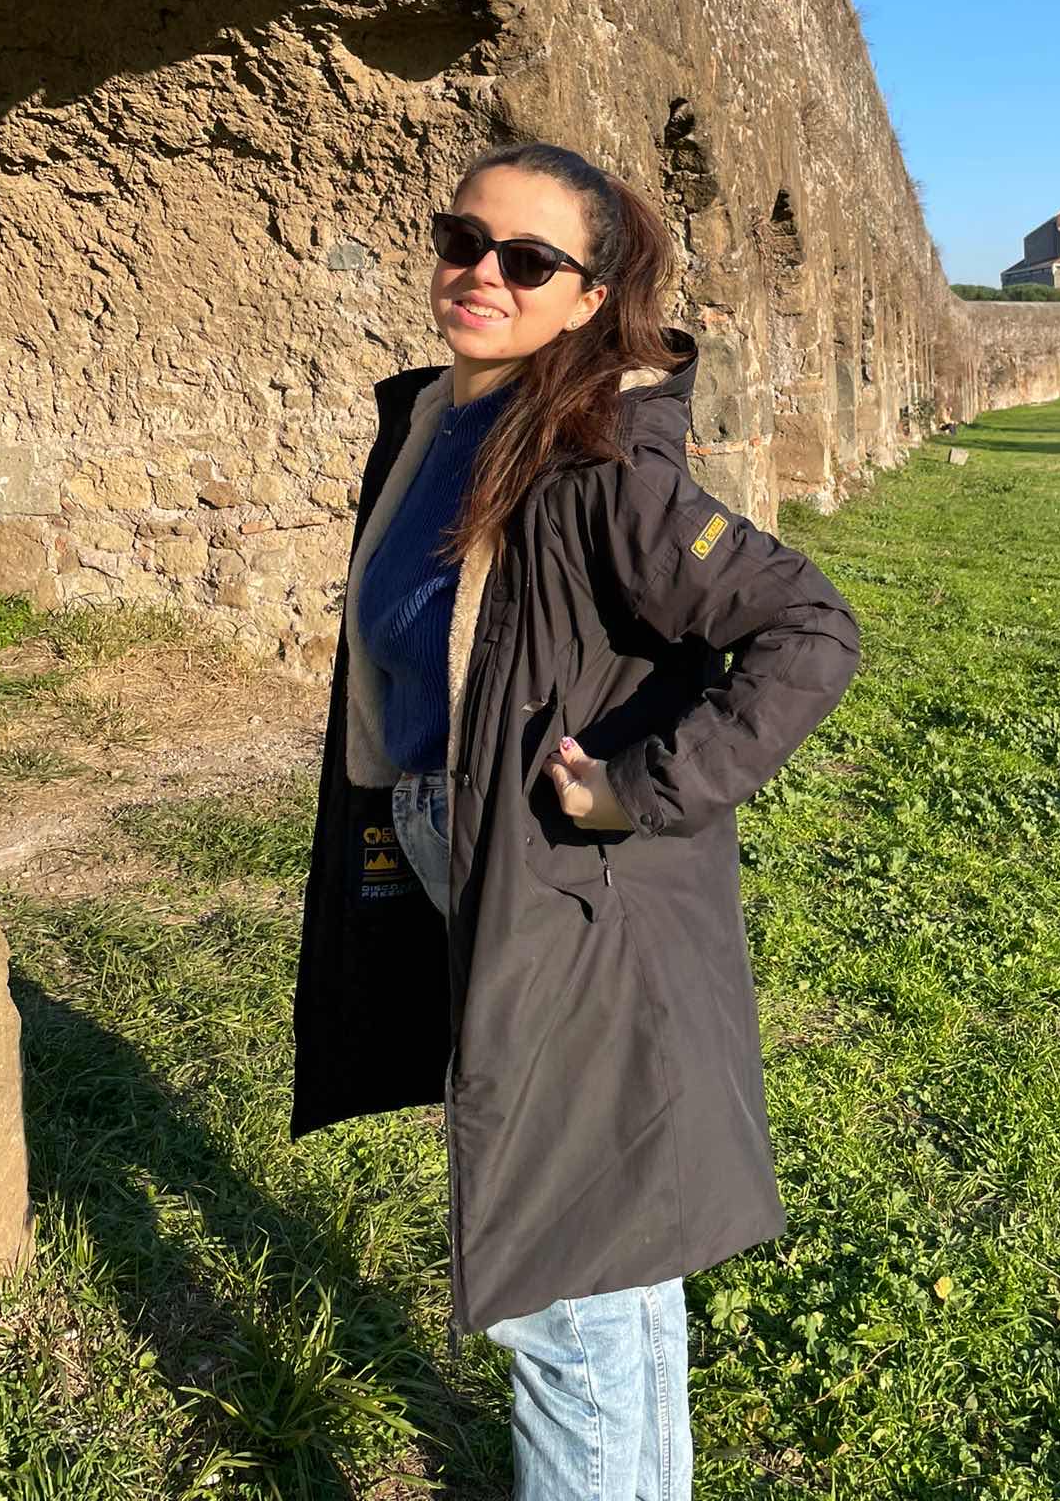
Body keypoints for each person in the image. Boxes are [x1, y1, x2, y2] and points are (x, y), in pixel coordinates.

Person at [290, 141, 861, 1499]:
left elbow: (808, 627)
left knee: (562, 1279)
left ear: (590, 296)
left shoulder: (598, 459)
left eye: (528, 259)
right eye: (463, 239)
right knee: (613, 1255)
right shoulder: (436, 419)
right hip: (470, 856)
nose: (481, 272)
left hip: (568, 893)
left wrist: (637, 786)